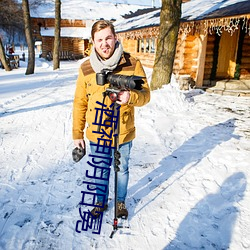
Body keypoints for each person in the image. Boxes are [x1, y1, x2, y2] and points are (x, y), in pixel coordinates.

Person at [72, 20, 150, 219]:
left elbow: (146, 95)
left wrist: (130, 97)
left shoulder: (132, 63)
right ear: (93, 42)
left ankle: (120, 201)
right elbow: (80, 102)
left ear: (115, 38)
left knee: (121, 168)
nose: (104, 43)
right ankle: (100, 201)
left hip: (123, 131)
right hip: (97, 132)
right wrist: (77, 134)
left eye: (108, 38)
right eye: (99, 40)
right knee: (100, 168)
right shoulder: (86, 68)